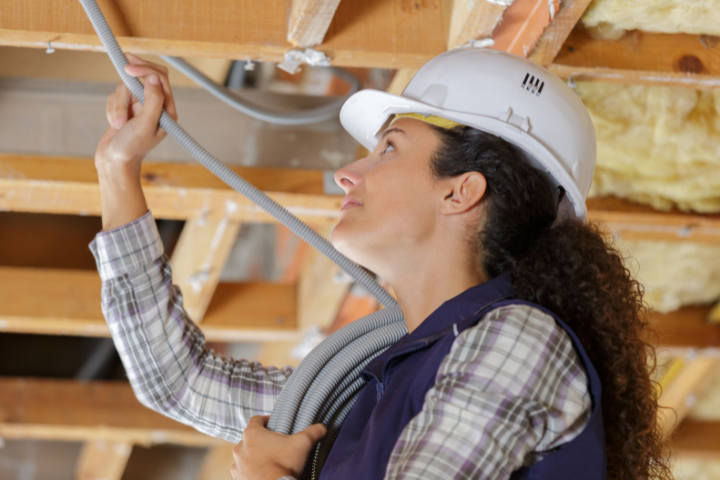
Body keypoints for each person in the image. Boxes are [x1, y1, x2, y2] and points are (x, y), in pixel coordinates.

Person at [89, 49, 671, 480]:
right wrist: (118, 171)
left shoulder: (518, 342)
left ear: (461, 192)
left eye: (387, 147)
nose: (348, 173)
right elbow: (179, 382)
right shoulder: (377, 386)